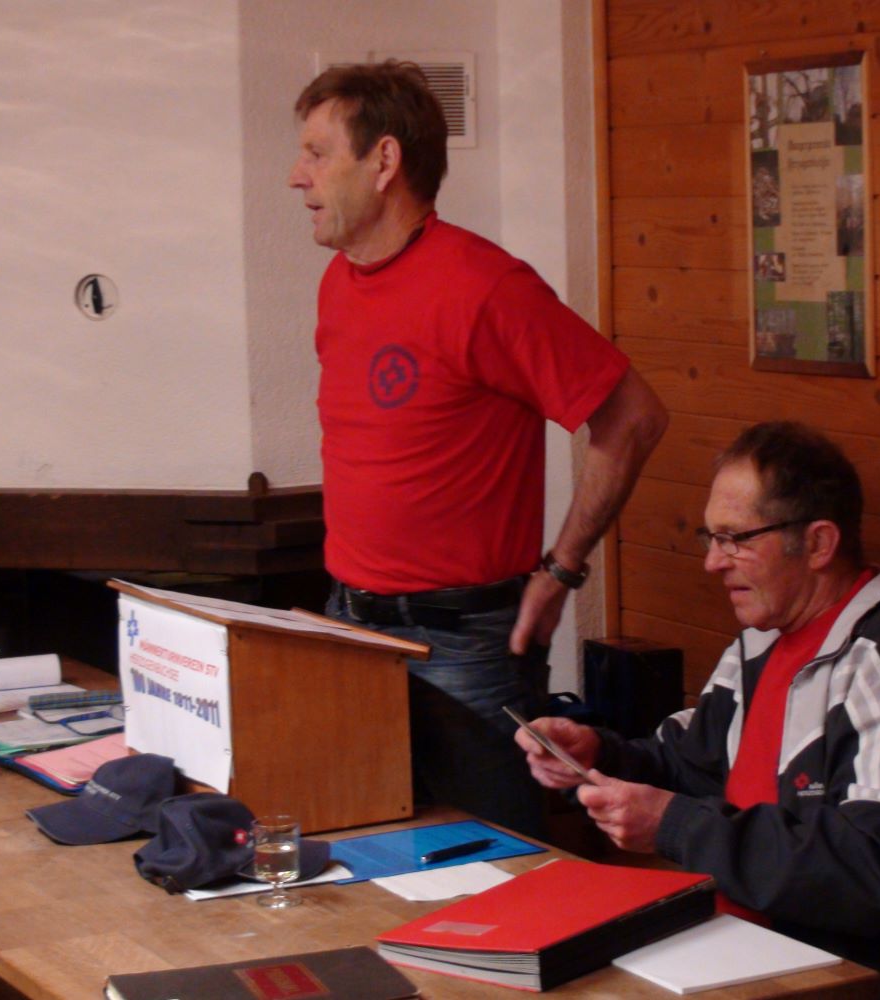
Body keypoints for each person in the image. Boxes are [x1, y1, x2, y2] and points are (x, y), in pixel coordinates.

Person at [288, 61, 668, 838]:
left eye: (317, 154)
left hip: (463, 646)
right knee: (362, 852)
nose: (298, 177)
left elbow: (632, 415)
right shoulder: (336, 283)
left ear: (384, 161)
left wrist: (563, 569)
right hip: (348, 630)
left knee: (493, 865)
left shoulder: (485, 286)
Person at [516, 422, 880, 999]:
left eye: (735, 539)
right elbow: (686, 765)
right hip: (728, 942)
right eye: (710, 537)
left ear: (818, 544)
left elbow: (875, 875)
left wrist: (674, 825)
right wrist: (597, 757)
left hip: (848, 975)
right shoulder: (760, 641)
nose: (712, 562)